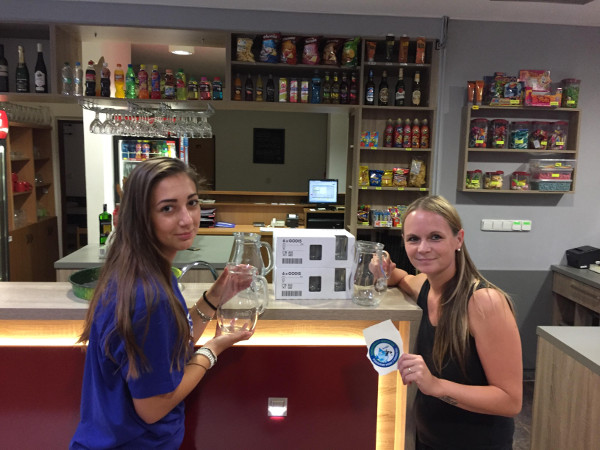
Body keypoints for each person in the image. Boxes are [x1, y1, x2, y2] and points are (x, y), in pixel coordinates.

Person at [70, 157, 253, 449]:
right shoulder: (149, 296)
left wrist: (215, 297)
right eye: (168, 208)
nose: (187, 219)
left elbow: (169, 348)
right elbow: (153, 407)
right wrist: (212, 350)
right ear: (140, 217)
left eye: (192, 203)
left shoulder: (142, 271)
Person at [385, 196, 522, 450]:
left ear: (458, 239)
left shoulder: (484, 302)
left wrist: (436, 386)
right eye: (413, 239)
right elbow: (401, 277)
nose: (423, 248)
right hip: (427, 440)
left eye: (435, 237)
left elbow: (510, 401)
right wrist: (383, 269)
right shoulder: (424, 285)